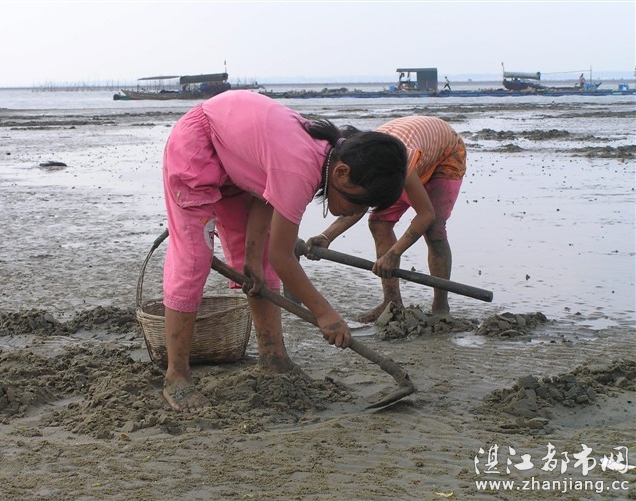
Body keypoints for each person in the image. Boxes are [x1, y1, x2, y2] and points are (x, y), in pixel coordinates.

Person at [161, 90, 407, 412]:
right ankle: (176, 376)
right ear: (342, 173)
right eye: (359, 202)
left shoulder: (323, 154)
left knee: (263, 263)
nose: (356, 212)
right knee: (195, 258)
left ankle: (273, 357)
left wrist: (252, 258)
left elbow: (266, 191)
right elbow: (283, 255)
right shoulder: (300, 167)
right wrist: (325, 314)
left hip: (236, 162)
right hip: (198, 145)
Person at [307, 116, 466, 322]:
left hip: (444, 155)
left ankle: (440, 306)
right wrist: (326, 236)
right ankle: (392, 302)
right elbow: (361, 202)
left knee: (434, 229)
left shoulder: (396, 161)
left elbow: (426, 214)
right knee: (378, 222)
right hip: (412, 157)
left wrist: (394, 253)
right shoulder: (364, 160)